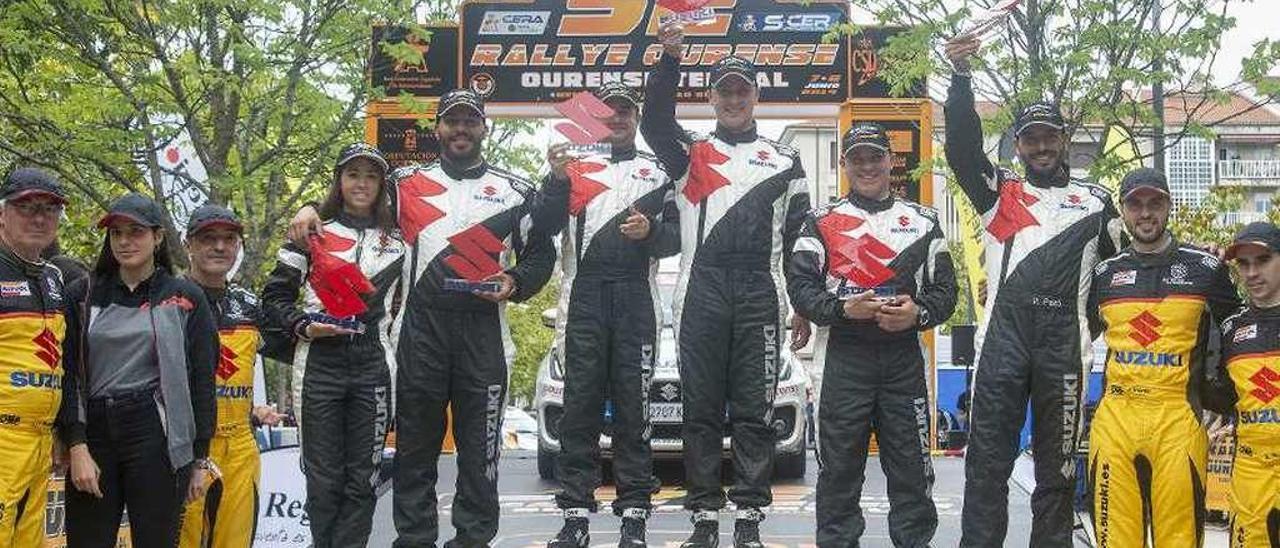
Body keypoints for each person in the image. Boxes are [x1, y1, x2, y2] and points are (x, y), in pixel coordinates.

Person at [288, 89, 556, 547]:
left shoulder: (516, 189)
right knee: (414, 455)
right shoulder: (404, 181)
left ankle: (472, 540)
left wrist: (514, 281)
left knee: (480, 456)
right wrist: (311, 208)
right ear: (437, 128)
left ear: (484, 128)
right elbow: (355, 197)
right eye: (452, 121)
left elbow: (541, 254)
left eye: (470, 121)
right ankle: (414, 541)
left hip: (484, 336)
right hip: (419, 333)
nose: (461, 129)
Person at [943, 36, 1125, 547]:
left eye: (1049, 137)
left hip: (1064, 349)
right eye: (1031, 139)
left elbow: (1114, 282)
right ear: (1018, 145)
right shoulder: (998, 193)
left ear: (1064, 140)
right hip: (1003, 343)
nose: (1041, 147)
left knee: (1059, 472)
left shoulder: (1097, 203)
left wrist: (1090, 332)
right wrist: (961, 78)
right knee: (986, 467)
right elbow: (959, 147)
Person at [642, 23, 811, 547]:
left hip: (761, 291)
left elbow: (800, 238)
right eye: (725, 91)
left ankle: (749, 519)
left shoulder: (785, 159)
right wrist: (669, 59)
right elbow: (652, 121)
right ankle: (703, 518)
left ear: (756, 96)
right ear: (711, 98)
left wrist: (802, 303)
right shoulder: (690, 153)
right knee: (701, 410)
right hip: (701, 291)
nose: (734, 99)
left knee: (754, 411)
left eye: (743, 90)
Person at [788, 124, 957, 548]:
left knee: (914, 475)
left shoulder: (924, 221)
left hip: (904, 361)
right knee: (839, 475)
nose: (867, 166)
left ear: (890, 162)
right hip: (843, 358)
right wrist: (843, 310)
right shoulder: (819, 222)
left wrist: (918, 314)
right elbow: (801, 287)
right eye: (857, 158)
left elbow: (947, 291)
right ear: (844, 165)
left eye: (874, 157)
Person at [539, 82, 679, 548]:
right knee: (578, 409)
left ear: (636, 118)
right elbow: (542, 225)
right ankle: (575, 515)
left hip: (636, 295)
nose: (618, 118)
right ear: (597, 118)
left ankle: (634, 516)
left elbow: (678, 238)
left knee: (633, 409)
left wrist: (652, 231)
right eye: (610, 112)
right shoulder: (573, 165)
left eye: (626, 111)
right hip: (584, 296)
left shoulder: (658, 170)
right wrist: (555, 180)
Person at [1085, 168, 1240, 546]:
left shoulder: (1206, 268)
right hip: (1115, 421)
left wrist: (1228, 404)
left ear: (1168, 206)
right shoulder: (1104, 275)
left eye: (1155, 203)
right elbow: (1071, 336)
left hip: (1178, 419)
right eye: (1135, 204)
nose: (1146, 213)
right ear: (1123, 210)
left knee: (1179, 539)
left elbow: (1239, 336)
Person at [263, 143, 404, 548]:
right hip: (318, 366)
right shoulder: (311, 234)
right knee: (323, 480)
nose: (361, 183)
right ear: (338, 180)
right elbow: (273, 299)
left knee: (363, 479)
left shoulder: (400, 240)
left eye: (371, 176)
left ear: (382, 185)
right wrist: (304, 327)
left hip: (374, 366)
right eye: (353, 174)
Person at [58, 192, 219, 546]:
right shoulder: (81, 294)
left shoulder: (185, 296)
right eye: (116, 233)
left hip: (155, 432)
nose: (125, 241)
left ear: (158, 237)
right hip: (95, 430)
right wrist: (76, 443)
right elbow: (67, 372)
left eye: (136, 231)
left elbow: (202, 381)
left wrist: (199, 456)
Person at [179, 203, 284, 548]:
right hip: (186, 446)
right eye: (208, 238)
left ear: (239, 246)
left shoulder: (249, 306)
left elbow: (295, 341)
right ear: (188, 244)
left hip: (240, 446)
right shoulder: (167, 300)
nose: (220, 247)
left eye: (229, 239)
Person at [0, 168, 71, 547]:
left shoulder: (53, 277)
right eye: (26, 207)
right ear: (2, 213)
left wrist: (62, 430)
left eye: (49, 209)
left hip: (41, 442)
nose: (39, 218)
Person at [1214, 222, 1280, 548]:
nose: (1252, 272)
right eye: (1243, 263)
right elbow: (1224, 396)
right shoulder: (1230, 328)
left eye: (1263, 260)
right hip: (1251, 471)